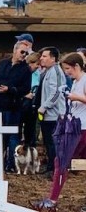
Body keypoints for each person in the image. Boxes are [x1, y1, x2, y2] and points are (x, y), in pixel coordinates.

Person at [36, 52, 86, 208]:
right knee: (61, 161)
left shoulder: (84, 80)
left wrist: (75, 97)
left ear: (76, 66)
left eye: (68, 68)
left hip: (82, 128)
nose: (66, 72)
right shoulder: (76, 81)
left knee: (61, 161)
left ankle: (52, 199)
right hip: (75, 126)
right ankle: (53, 198)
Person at [0, 41, 32, 173]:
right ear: (15, 50)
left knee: (12, 135)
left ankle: (11, 164)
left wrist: (10, 90)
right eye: (22, 52)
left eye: (26, 53)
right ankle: (0, 163)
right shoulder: (3, 63)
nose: (24, 55)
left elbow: (26, 89)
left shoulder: (26, 69)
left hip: (13, 106)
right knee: (0, 135)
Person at [37, 46, 66, 175]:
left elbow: (56, 93)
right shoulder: (47, 72)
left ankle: (56, 169)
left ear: (53, 58)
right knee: (48, 142)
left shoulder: (56, 71)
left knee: (54, 142)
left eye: (44, 56)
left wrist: (45, 106)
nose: (41, 58)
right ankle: (50, 166)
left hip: (55, 115)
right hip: (47, 115)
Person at [20, 51, 41, 148]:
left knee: (31, 131)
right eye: (37, 64)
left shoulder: (38, 74)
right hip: (21, 105)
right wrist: (24, 94)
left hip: (33, 106)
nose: (38, 67)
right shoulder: (22, 72)